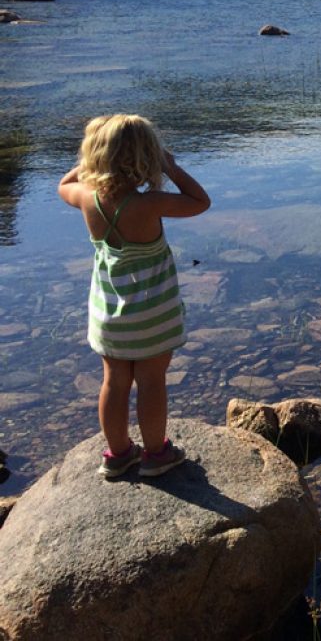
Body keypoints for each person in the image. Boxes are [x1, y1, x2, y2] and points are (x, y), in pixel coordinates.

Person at [58, 114, 211, 479]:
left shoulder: (85, 199)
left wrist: (92, 161)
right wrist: (172, 167)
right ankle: (157, 454)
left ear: (96, 156)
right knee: (151, 381)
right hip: (152, 314)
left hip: (108, 314)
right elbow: (200, 201)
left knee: (114, 381)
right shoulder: (150, 203)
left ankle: (118, 455)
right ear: (147, 158)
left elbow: (64, 183)